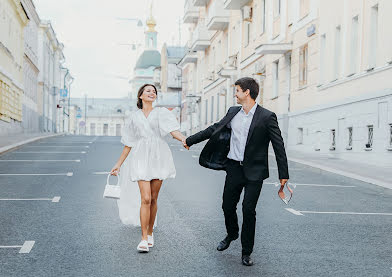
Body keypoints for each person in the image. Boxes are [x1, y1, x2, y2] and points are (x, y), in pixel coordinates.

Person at [183, 77, 289, 266]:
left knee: (249, 210)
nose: (235, 94)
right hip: (234, 168)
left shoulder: (266, 116)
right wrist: (190, 140)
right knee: (227, 206)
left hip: (255, 171)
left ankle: (246, 252)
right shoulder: (233, 113)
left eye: (238, 90)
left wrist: (283, 174)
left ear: (247, 92)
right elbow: (214, 128)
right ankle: (232, 233)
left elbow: (278, 145)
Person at [110, 84, 186, 253]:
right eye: (148, 91)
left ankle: (151, 233)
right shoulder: (133, 117)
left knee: (153, 198)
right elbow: (128, 144)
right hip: (140, 157)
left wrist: (184, 140)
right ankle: (144, 238)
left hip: (159, 156)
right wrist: (118, 165)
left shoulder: (162, 113)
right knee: (145, 198)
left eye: (154, 91)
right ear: (141, 96)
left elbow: (173, 131)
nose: (152, 93)